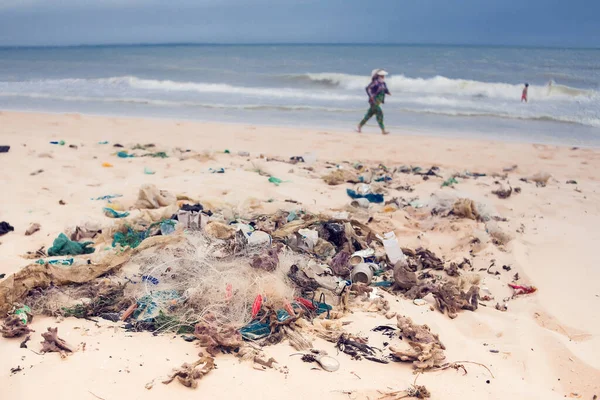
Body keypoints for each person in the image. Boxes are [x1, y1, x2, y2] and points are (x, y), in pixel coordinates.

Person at [357, 69, 391, 134]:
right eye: (382, 75)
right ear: (378, 76)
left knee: (369, 115)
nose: (383, 77)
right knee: (380, 114)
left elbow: (385, 89)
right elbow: (368, 88)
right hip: (374, 101)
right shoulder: (375, 82)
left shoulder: (383, 83)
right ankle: (383, 130)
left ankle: (360, 126)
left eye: (383, 76)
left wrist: (388, 92)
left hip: (378, 102)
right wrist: (371, 96)